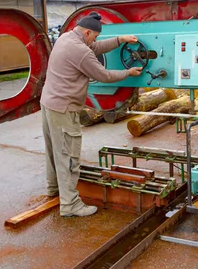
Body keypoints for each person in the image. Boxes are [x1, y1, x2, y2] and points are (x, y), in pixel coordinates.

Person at [40, 12, 142, 217]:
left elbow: (94, 48)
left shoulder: (67, 38)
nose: (95, 41)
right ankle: (70, 205)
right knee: (68, 155)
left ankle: (55, 190)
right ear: (87, 32)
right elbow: (103, 75)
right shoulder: (80, 51)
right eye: (94, 36)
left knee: (55, 152)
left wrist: (120, 40)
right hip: (64, 108)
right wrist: (128, 73)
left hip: (49, 103)